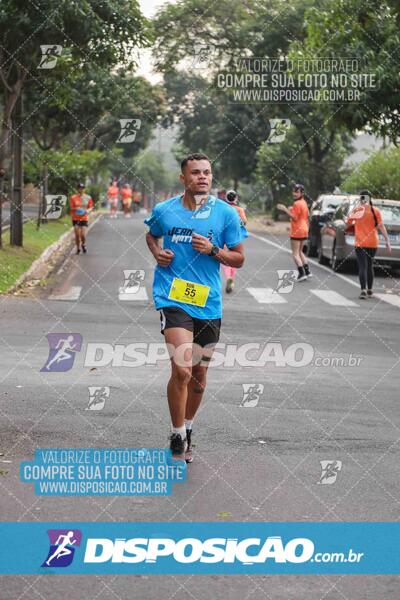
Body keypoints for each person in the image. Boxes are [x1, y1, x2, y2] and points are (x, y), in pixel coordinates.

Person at [144, 153, 248, 462]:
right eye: (195, 173)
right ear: (183, 178)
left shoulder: (226, 214)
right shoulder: (165, 210)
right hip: (173, 297)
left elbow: (239, 258)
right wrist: (157, 251)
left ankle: (188, 428)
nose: (202, 177)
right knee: (182, 369)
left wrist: (214, 250)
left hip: (207, 302)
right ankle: (177, 435)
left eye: (206, 173)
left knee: (199, 378)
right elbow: (151, 234)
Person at [346, 190, 391, 299]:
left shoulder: (357, 210)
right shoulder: (376, 211)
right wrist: (387, 240)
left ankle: (363, 290)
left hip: (360, 243)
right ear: (370, 198)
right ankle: (370, 290)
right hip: (373, 242)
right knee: (370, 265)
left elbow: (348, 222)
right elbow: (381, 226)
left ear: (361, 198)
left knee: (362, 266)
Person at [277, 183, 311, 281]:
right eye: (294, 191)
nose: (294, 194)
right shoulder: (304, 202)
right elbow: (305, 215)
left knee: (295, 253)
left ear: (302, 193)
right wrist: (292, 210)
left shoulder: (296, 203)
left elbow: (295, 218)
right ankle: (307, 272)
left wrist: (285, 209)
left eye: (297, 192)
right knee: (300, 252)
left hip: (297, 230)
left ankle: (301, 273)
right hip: (304, 229)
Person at [221, 189, 247, 293]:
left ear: (226, 198)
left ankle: (228, 277)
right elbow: (244, 222)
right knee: (235, 256)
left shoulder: (223, 208)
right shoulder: (239, 209)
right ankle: (231, 276)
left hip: (223, 237)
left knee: (225, 257)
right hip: (236, 237)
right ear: (236, 198)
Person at [69, 183, 93, 254]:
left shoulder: (88, 197)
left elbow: (91, 207)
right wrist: (76, 208)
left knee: (83, 234)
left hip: (84, 218)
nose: (81, 190)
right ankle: (78, 248)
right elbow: (71, 208)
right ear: (77, 189)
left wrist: (87, 210)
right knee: (77, 234)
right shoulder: (73, 197)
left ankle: (83, 244)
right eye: (79, 188)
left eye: (82, 188)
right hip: (76, 218)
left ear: (84, 189)